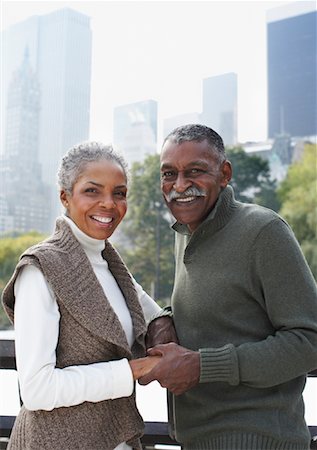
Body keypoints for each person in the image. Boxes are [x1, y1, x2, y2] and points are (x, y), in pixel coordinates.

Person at [140, 124, 317, 450]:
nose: (179, 185)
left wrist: (202, 366)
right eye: (169, 174)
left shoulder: (264, 232)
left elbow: (309, 340)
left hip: (259, 441)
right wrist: (165, 318)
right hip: (198, 440)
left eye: (195, 171)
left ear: (224, 174)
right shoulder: (185, 233)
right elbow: (219, 311)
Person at [2, 142, 164, 450]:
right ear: (65, 196)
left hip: (115, 438)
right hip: (54, 442)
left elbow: (156, 317)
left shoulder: (112, 266)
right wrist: (133, 369)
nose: (109, 203)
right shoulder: (40, 269)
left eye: (119, 193)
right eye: (92, 191)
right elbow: (37, 389)